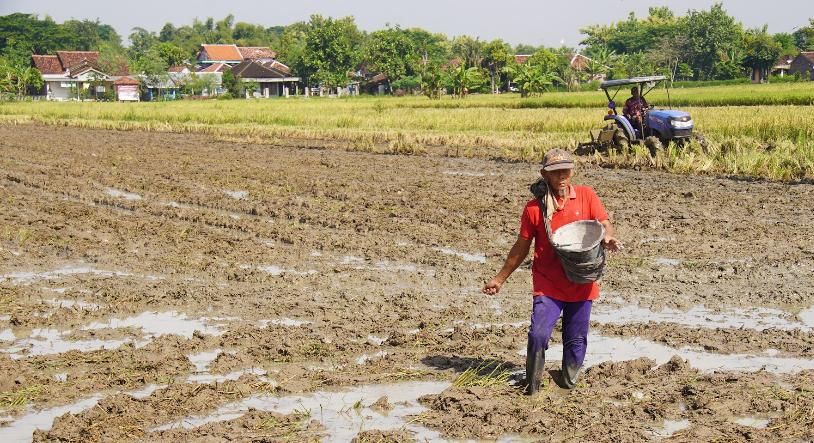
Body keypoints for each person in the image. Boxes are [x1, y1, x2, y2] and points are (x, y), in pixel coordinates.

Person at [482, 148, 621, 394]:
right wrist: (499, 279)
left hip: (581, 283)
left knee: (576, 341)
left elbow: (604, 225)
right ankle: (533, 386)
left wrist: (608, 238)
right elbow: (521, 247)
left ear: (572, 171)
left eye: (565, 170)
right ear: (544, 174)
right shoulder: (535, 209)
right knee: (538, 334)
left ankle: (567, 382)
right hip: (549, 284)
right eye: (555, 172)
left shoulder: (587, 196)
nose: (561, 177)